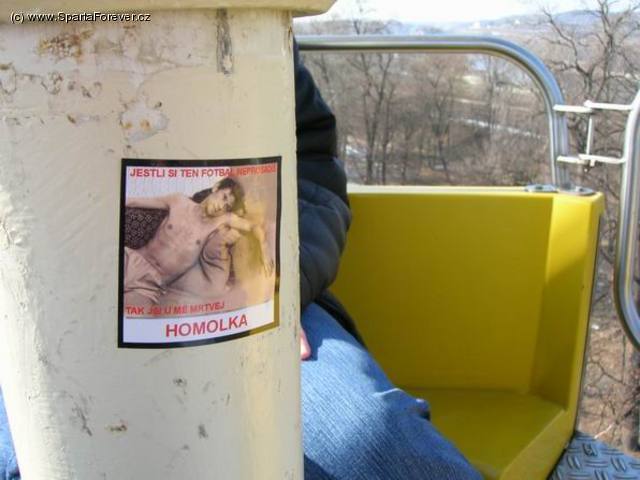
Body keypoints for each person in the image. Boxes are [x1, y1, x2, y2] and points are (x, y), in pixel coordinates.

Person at [0, 43, 481, 480]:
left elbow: (312, 168)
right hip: (25, 314)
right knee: (33, 454)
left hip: (252, 310)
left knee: (367, 443)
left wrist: (277, 283)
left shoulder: (249, 27)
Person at [123, 177, 273, 307]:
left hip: (150, 285)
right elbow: (134, 201)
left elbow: (254, 227)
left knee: (132, 318)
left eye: (227, 206)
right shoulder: (178, 201)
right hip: (132, 260)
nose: (221, 206)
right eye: (224, 197)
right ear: (216, 188)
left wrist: (264, 247)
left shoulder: (220, 221)